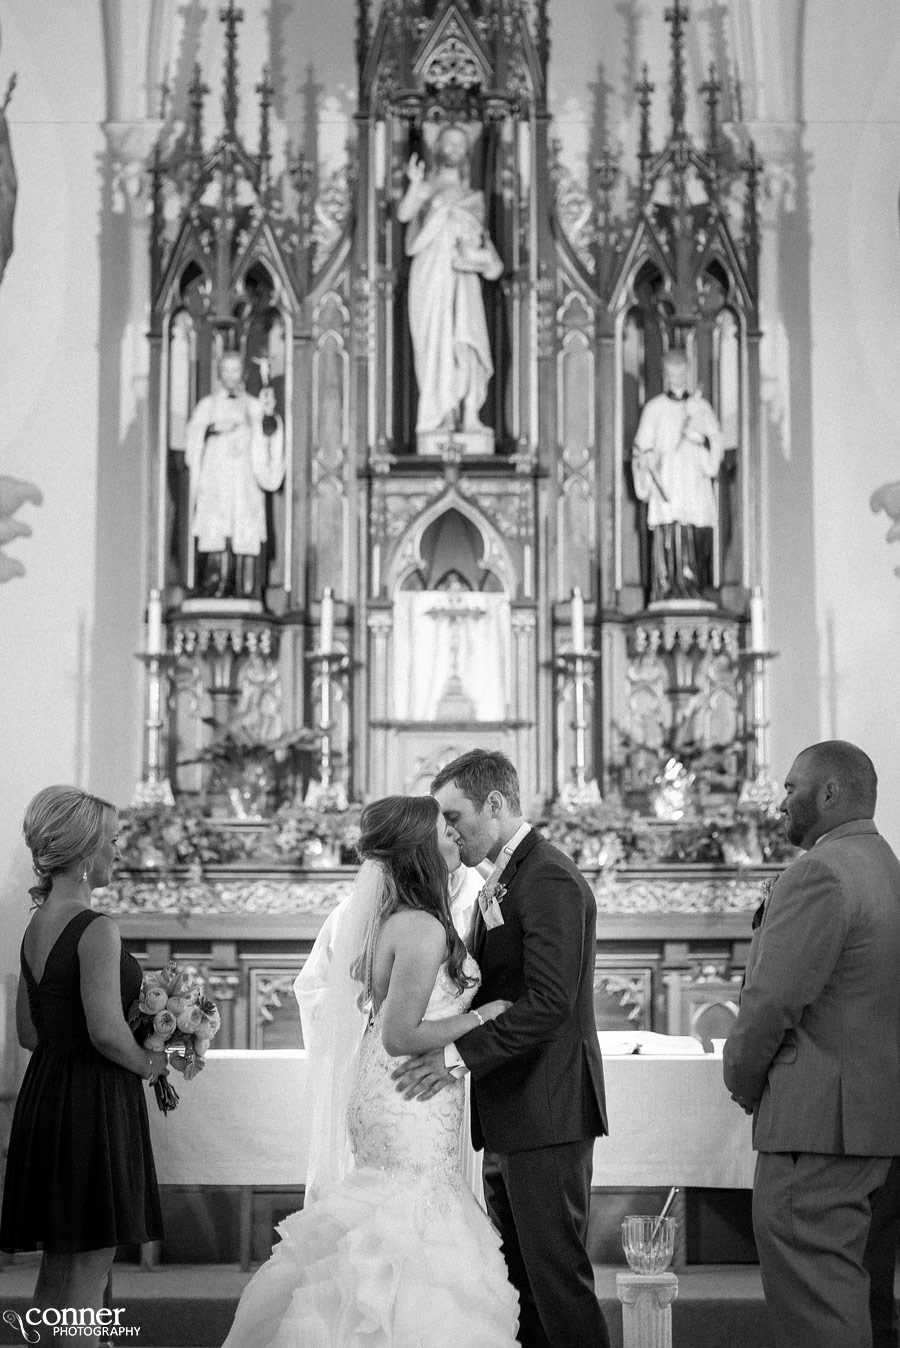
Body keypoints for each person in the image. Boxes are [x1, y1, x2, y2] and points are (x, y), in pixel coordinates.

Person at [223, 795, 519, 1347]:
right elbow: (400, 1034)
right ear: (418, 849)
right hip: (410, 1094)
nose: (454, 836)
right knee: (414, 1226)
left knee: (392, 1217)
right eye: (444, 830)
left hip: (396, 1090)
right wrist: (482, 1015)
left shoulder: (397, 918)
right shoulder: (423, 928)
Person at [394, 750, 610, 1348]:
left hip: (546, 1109)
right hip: (515, 1110)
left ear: (494, 804)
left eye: (454, 815)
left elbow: (548, 1002)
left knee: (557, 1283)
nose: (448, 830)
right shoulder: (509, 878)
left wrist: (455, 1059)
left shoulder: (547, 878)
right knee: (520, 1287)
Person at [723, 741, 900, 1348]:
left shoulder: (820, 871)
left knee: (817, 1307)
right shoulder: (883, 863)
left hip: (816, 1129)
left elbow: (771, 1002)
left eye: (792, 788)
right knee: (854, 1295)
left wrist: (742, 1084)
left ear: (829, 793)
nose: (780, 803)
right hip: (873, 1122)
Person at [0, 787, 167, 1313]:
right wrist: (150, 1061)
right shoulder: (96, 929)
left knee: (59, 1270)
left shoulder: (34, 926)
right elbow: (105, 1031)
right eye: (112, 840)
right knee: (89, 1278)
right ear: (83, 851)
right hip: (92, 1102)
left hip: (47, 1094)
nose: (118, 851)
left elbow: (30, 1034)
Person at [397, 123, 502, 453]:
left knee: (467, 341)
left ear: (467, 153)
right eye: (448, 143)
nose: (454, 150)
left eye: (460, 145)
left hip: (462, 278)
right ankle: (439, 416)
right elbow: (403, 215)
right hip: (430, 278)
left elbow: (490, 255)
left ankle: (470, 415)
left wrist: (480, 259)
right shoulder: (427, 188)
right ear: (437, 148)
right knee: (436, 345)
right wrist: (415, 185)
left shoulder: (475, 198)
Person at [184, 350, 285, 601]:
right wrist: (212, 430)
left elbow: (269, 434)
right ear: (220, 374)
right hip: (216, 480)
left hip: (243, 482)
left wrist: (269, 416)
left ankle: (246, 587)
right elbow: (192, 441)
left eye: (236, 370)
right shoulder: (207, 406)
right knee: (215, 530)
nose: (231, 376)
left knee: (244, 528)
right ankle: (214, 583)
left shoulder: (253, 405)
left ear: (244, 374)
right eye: (226, 371)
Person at [631, 348, 724, 602]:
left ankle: (692, 585)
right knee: (669, 531)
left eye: (682, 374)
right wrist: (646, 462)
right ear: (665, 376)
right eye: (673, 376)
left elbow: (715, 442)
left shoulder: (700, 407)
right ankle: (667, 585)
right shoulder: (654, 408)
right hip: (668, 478)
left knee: (693, 531)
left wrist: (700, 440)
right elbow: (641, 448)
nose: (678, 380)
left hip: (692, 479)